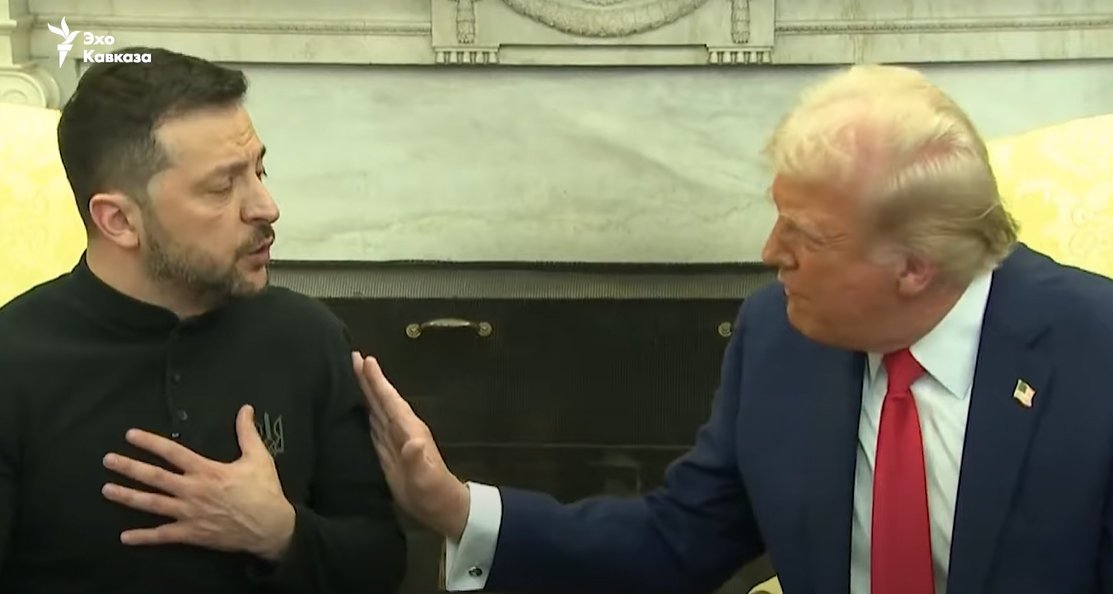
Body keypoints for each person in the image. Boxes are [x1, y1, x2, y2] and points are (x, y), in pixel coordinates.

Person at [353, 63, 1113, 594]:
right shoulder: (780, 338)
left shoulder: (1093, 354)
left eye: (805, 236)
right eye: (777, 217)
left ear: (913, 267)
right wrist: (457, 507)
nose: (770, 252)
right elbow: (676, 542)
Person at [0, 47, 407, 593]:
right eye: (222, 187)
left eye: (259, 170)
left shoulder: (307, 337)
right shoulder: (13, 363)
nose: (265, 206)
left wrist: (283, 534)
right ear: (119, 220)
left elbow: (380, 564)